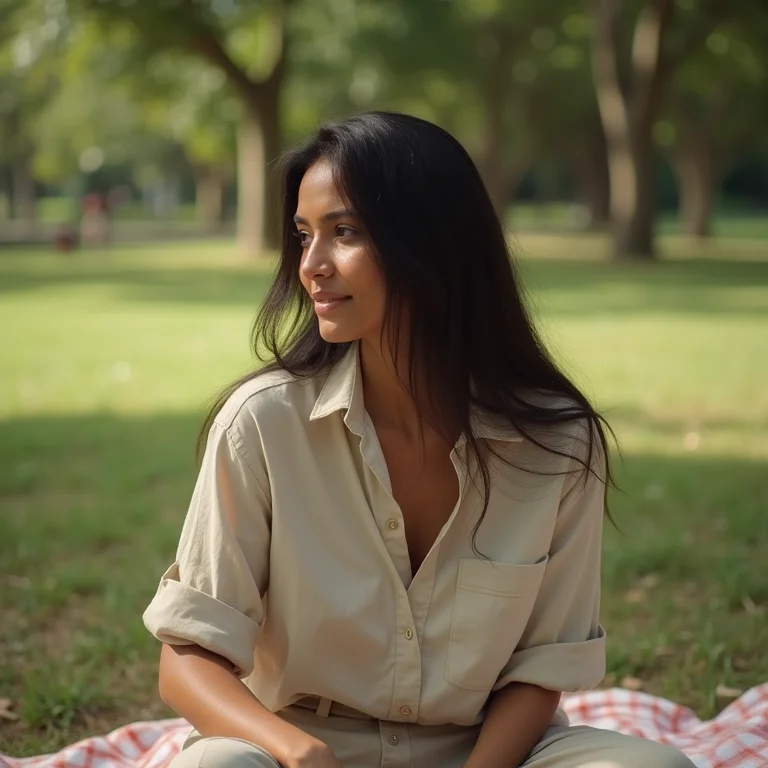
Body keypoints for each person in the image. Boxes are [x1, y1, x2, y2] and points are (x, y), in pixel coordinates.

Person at [143, 112, 694, 768]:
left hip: (486, 753)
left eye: (343, 232)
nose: (311, 266)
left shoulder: (559, 445)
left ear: (431, 241)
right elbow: (187, 658)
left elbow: (542, 666)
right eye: (302, 236)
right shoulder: (262, 425)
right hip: (297, 748)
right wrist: (298, 753)